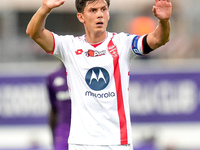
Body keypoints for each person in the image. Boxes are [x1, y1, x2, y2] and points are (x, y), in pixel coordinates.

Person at [26, 0, 172, 149]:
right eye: (93, 10)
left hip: (117, 142)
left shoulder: (123, 43)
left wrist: (164, 20)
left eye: (104, 9)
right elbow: (34, 33)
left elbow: (158, 39)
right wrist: (45, 8)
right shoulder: (69, 46)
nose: (100, 15)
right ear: (81, 17)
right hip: (81, 143)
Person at [46, 64, 71, 150]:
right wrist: (54, 138)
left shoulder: (85, 75)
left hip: (85, 128)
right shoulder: (53, 77)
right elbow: (53, 109)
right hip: (63, 130)